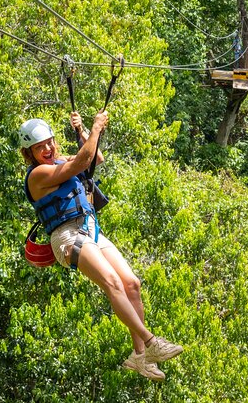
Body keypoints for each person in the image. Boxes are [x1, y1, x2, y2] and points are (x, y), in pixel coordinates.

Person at [18, 111, 184, 381]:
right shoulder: (38, 175)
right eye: (39, 147)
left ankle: (139, 357)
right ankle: (153, 342)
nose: (47, 149)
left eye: (49, 142)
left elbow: (95, 158)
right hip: (68, 238)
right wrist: (96, 127)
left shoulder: (60, 160)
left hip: (90, 229)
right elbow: (82, 160)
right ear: (30, 153)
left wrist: (83, 130)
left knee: (131, 283)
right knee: (112, 283)